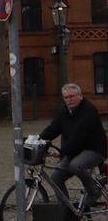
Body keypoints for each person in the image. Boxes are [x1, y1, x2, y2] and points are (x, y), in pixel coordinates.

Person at [40, 82, 107, 210]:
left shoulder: (88, 111)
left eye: (72, 96)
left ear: (80, 96)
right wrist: (39, 140)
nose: (69, 100)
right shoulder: (65, 111)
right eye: (66, 97)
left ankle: (93, 192)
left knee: (76, 165)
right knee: (55, 178)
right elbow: (54, 128)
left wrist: (61, 151)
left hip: (94, 149)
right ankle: (67, 210)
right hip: (75, 151)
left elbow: (79, 135)